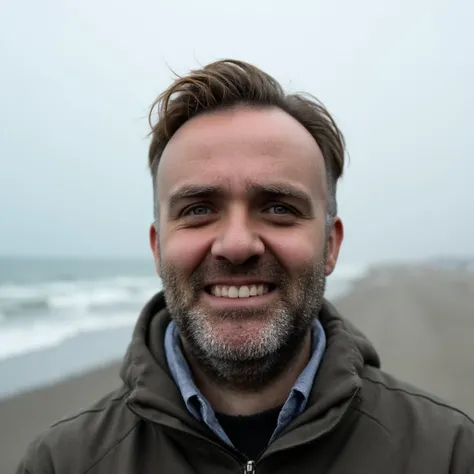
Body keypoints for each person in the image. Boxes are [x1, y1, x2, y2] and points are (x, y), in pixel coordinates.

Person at [17, 59, 473, 474]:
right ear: (157, 248)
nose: (236, 245)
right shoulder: (61, 463)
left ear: (330, 245)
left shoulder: (449, 453)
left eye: (278, 208)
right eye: (198, 210)